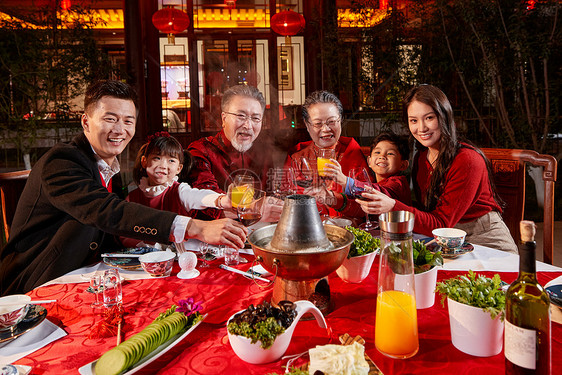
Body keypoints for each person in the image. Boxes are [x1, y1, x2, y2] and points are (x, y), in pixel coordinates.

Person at [0, 80, 247, 295]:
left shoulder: (112, 171)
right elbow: (106, 210)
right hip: (37, 284)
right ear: (86, 122)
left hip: (90, 276)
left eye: (128, 121)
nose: (120, 129)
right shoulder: (63, 160)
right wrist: (195, 227)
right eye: (110, 119)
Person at [360, 84, 517, 253]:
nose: (421, 128)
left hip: (484, 238)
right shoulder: (421, 158)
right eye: (414, 120)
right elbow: (428, 213)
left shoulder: (467, 160)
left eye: (429, 118)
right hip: (442, 239)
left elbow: (441, 223)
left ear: (444, 116)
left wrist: (392, 206)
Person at [187, 84, 283, 221]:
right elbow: (202, 206)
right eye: (241, 116)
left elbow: (270, 196)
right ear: (223, 118)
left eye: (255, 118)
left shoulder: (264, 152)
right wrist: (257, 210)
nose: (248, 125)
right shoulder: (201, 151)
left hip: (257, 233)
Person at [121, 132, 233, 248]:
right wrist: (145, 247)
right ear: (144, 161)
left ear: (179, 168)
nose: (163, 165)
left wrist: (221, 200)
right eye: (157, 158)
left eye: (171, 161)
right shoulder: (132, 198)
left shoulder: (180, 191)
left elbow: (199, 196)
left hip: (179, 258)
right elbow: (124, 234)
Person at [284, 90, 369, 217]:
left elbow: (368, 204)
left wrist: (334, 199)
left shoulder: (352, 151)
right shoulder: (297, 157)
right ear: (307, 125)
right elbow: (288, 201)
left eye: (331, 122)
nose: (326, 129)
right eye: (318, 123)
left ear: (340, 120)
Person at [327, 131, 412, 205]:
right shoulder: (374, 182)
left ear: (403, 165)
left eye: (390, 154)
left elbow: (377, 192)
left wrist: (344, 180)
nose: (382, 156)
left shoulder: (398, 184)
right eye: (377, 152)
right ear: (369, 161)